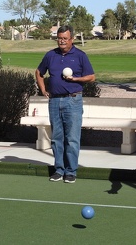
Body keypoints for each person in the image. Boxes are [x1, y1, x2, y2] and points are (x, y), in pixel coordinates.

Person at [35, 25, 95, 183]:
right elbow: (39, 72)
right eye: (59, 38)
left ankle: (71, 171)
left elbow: (91, 77)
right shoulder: (51, 55)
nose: (61, 41)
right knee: (57, 138)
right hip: (54, 100)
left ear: (72, 39)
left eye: (65, 38)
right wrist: (43, 89)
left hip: (73, 100)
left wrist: (75, 79)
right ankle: (59, 169)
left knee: (72, 138)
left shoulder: (80, 55)